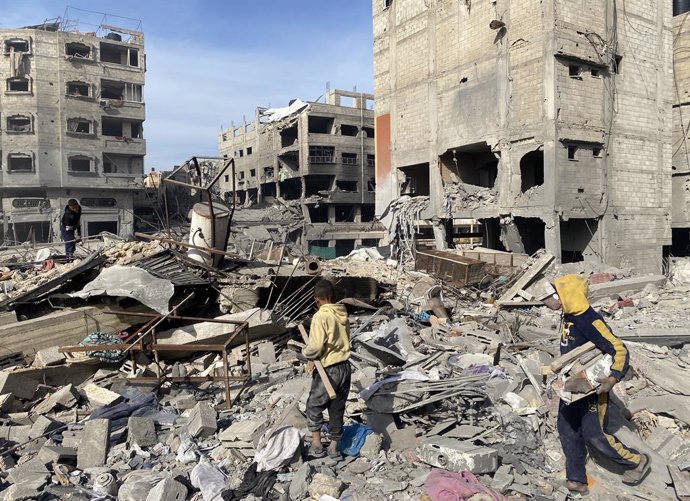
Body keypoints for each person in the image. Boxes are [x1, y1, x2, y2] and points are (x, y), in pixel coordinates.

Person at [546, 274, 651, 496]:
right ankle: (576, 479)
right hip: (572, 385)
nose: (558, 299)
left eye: (561, 294)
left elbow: (619, 349)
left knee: (595, 436)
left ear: (571, 295)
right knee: (567, 428)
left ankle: (637, 460)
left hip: (593, 389)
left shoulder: (589, 320)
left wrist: (613, 379)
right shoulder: (569, 314)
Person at [302, 279, 351, 460]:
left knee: (313, 406)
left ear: (317, 299)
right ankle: (334, 448)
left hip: (329, 369)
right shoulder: (342, 314)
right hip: (345, 368)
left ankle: (316, 445)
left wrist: (305, 353)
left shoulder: (321, 316)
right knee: (337, 408)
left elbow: (315, 347)